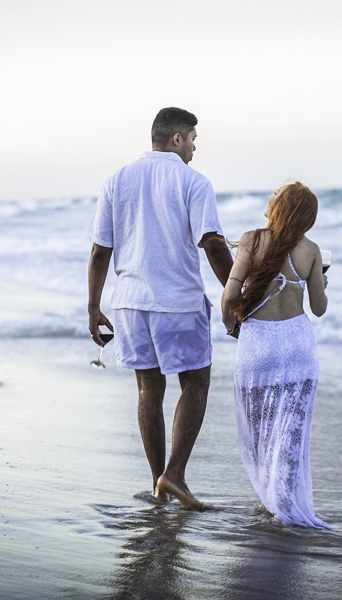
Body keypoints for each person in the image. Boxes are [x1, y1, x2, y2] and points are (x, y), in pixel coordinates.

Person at [86, 107, 233, 510]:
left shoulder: (117, 180)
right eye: (193, 140)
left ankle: (158, 484)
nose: (194, 150)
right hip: (178, 302)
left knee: (149, 389)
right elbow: (214, 245)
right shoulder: (193, 182)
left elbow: (100, 251)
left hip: (130, 304)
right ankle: (175, 476)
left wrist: (93, 307)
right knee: (196, 384)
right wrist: (239, 294)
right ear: (176, 139)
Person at [221, 181, 331, 528]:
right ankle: (283, 500)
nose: (270, 196)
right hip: (298, 347)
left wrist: (231, 326)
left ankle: (270, 501)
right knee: (292, 430)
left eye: (276, 193)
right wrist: (322, 282)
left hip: (259, 344)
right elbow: (319, 308)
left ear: (281, 206)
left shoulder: (253, 240)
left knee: (259, 427)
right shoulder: (311, 250)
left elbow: (229, 297)